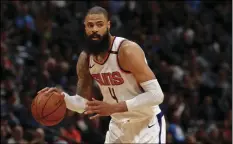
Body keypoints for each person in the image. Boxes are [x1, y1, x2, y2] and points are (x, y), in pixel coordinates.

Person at [38, 6, 166, 143]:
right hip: (118, 127)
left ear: (108, 25)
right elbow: (83, 105)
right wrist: (63, 98)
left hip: (146, 125)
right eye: (90, 25)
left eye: (99, 24)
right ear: (85, 28)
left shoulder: (127, 51)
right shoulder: (85, 59)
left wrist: (113, 108)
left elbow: (156, 95)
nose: (95, 29)